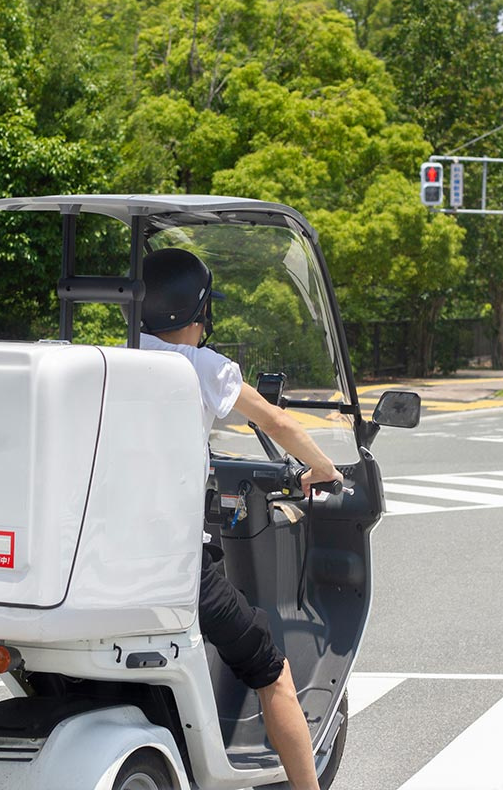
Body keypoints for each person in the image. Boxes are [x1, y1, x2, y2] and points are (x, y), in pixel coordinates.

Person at [138, 247, 344, 790]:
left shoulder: (112, 358)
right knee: (271, 670)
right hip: (177, 566)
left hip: (102, 562)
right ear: (200, 312)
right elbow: (275, 421)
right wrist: (323, 469)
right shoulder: (201, 367)